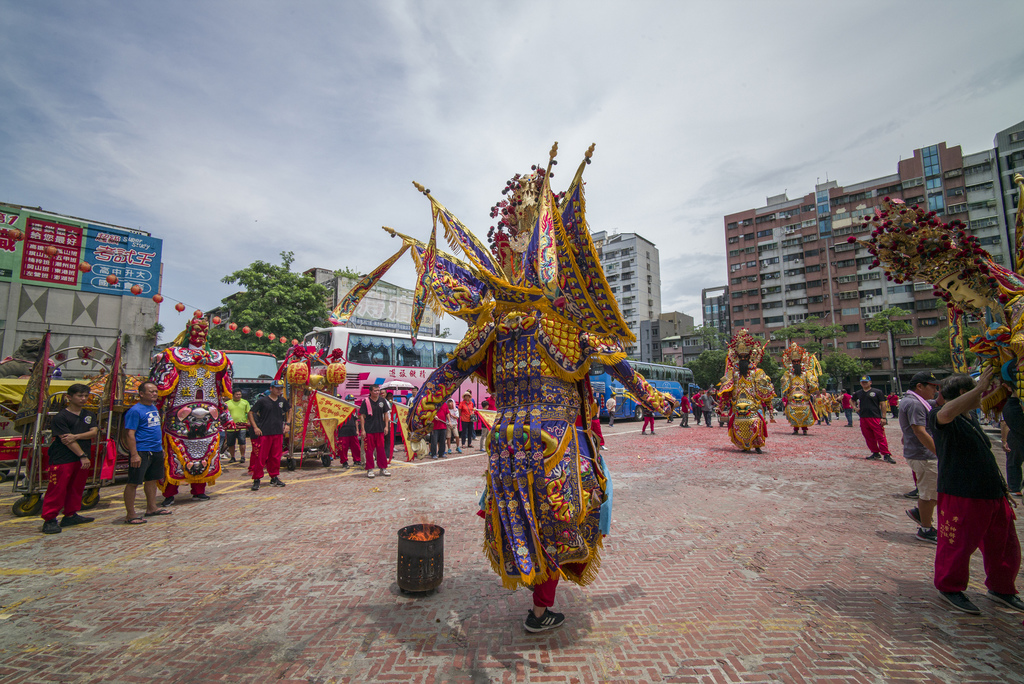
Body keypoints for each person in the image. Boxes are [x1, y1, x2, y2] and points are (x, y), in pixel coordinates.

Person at [929, 369, 1024, 614]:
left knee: (1005, 546)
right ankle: (950, 588)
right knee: (957, 545)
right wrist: (979, 387)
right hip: (961, 493)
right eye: (980, 390)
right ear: (965, 392)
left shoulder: (970, 417)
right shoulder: (940, 414)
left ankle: (1002, 588)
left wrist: (1003, 488)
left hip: (991, 492)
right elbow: (946, 413)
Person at [151, 316, 232, 506]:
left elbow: (222, 393)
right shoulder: (173, 354)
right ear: (188, 331)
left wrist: (224, 415)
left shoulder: (218, 358)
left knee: (206, 453)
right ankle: (170, 492)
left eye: (204, 330)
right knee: (175, 455)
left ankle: (199, 490)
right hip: (180, 417)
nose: (201, 334)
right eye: (197, 330)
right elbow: (161, 390)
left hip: (209, 417)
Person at [40, 384, 97, 534]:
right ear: (69, 397)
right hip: (63, 458)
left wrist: (77, 436)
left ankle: (71, 514)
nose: (83, 399)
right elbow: (66, 439)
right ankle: (50, 519)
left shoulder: (89, 414)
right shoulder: (61, 417)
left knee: (76, 487)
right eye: (80, 396)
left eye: (86, 395)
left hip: (82, 458)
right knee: (57, 488)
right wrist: (82, 455)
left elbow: (94, 432)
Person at [716, 329, 776, 453]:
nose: (743, 358)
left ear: (750, 356)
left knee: (756, 423)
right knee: (738, 424)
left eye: (745, 356)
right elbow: (726, 390)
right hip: (737, 404)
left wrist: (764, 383)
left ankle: (757, 445)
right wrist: (721, 405)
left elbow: (766, 389)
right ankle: (744, 444)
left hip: (753, 403)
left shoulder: (757, 372)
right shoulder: (733, 373)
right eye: (740, 356)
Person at [899, 372, 940, 543]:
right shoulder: (914, 404)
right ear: (920, 386)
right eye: (933, 386)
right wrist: (938, 452)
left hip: (921, 453)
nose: (935, 390)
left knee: (933, 490)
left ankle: (921, 513)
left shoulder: (916, 401)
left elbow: (938, 403)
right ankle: (925, 528)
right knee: (929, 493)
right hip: (924, 454)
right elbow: (919, 431)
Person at [122, 380, 169, 525]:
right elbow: (130, 433)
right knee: (133, 482)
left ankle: (152, 507)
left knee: (152, 480)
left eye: (155, 391)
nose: (154, 394)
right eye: (151, 391)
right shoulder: (135, 411)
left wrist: (160, 448)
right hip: (141, 451)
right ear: (141, 394)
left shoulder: (154, 408)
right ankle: (130, 514)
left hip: (155, 449)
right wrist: (134, 454)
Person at [248, 380, 291, 490]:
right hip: (265, 432)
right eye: (277, 388)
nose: (279, 390)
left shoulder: (282, 400)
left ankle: (274, 477)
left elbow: (289, 410)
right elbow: (251, 413)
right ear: (271, 388)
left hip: (277, 432)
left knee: (275, 457)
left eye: (281, 388)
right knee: (261, 457)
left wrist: (288, 424)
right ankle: (257, 479)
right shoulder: (263, 401)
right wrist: (255, 427)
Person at [854, 376, 894, 463]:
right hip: (863, 417)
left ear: (870, 382)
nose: (864, 383)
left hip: (875, 417)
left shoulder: (877, 392)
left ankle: (886, 454)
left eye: (866, 382)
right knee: (868, 436)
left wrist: (883, 417)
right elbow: (852, 400)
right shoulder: (859, 393)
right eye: (862, 382)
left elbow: (883, 404)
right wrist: (855, 408)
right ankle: (875, 452)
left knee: (880, 436)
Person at [779, 342, 818, 435]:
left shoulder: (806, 373)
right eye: (794, 362)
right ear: (791, 362)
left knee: (805, 412)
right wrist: (786, 378)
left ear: (801, 362)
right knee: (793, 412)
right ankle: (795, 429)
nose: (796, 363)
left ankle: (804, 429)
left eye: (798, 362)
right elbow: (783, 383)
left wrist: (812, 382)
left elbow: (812, 383)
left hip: (804, 397)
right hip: (792, 397)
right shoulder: (789, 374)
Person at [359, 385, 391, 477]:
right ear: (370, 391)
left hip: (380, 429)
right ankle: (370, 469)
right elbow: (362, 416)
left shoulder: (382, 401)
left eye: (378, 390)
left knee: (381, 450)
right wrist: (363, 430)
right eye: (375, 391)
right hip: (369, 430)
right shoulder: (366, 401)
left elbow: (385, 414)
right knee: (369, 450)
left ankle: (383, 468)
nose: (377, 392)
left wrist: (386, 427)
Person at [1003, 392, 1024, 497]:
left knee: (1013, 461)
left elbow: (1006, 423)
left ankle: (1014, 487)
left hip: (1016, 436)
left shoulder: (1013, 406)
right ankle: (1015, 487)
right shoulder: (1013, 405)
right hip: (1015, 435)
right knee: (1014, 460)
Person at [223, 388, 251, 465]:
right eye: (237, 394)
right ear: (233, 395)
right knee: (231, 443)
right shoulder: (227, 403)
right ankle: (232, 457)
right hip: (230, 427)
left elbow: (249, 413)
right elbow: (224, 414)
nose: (238, 396)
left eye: (240, 394)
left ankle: (242, 456)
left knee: (242, 442)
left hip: (241, 426)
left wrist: (248, 421)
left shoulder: (245, 402)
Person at [334, 394, 361, 467]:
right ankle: (344, 462)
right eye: (351, 400)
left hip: (352, 430)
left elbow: (356, 420)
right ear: (347, 401)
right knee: (343, 448)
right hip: (343, 430)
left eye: (353, 400)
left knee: (356, 447)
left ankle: (357, 460)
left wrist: (357, 430)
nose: (352, 401)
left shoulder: (354, 409)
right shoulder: (341, 408)